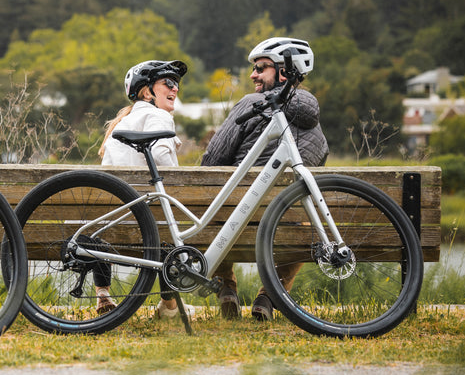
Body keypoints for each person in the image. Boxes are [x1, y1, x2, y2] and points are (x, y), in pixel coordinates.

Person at [200, 37, 329, 321]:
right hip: (284, 231)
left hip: (234, 224)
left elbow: (211, 165)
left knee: (214, 202)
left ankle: (226, 287)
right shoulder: (320, 134)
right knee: (305, 223)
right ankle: (268, 297)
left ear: (284, 72)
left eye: (260, 68)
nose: (253, 75)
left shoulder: (251, 104)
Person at [99, 59, 193, 319]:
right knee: (169, 224)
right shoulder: (159, 116)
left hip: (110, 224)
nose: (175, 88)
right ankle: (169, 306)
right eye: (168, 83)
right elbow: (162, 157)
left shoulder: (121, 125)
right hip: (149, 225)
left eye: (177, 84)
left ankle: (103, 294)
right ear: (146, 92)